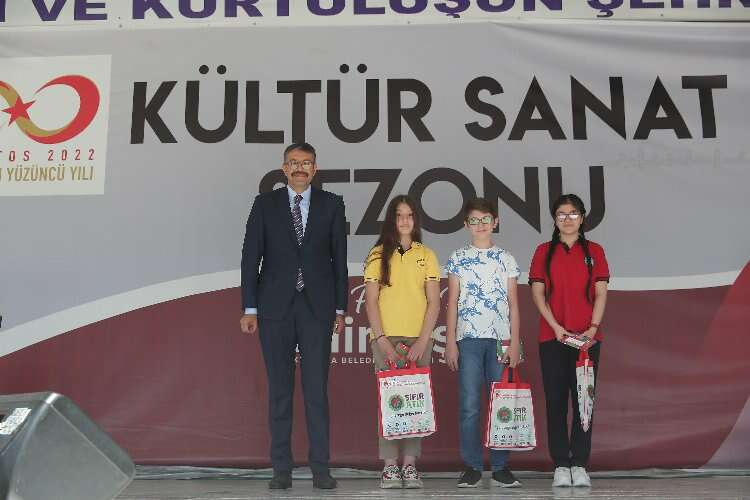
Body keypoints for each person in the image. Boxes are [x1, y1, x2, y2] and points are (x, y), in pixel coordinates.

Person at [240, 143, 348, 490]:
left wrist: (340, 308)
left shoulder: (332, 204)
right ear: (284, 168)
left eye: (306, 163)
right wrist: (250, 308)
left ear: (315, 169)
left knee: (316, 391)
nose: (300, 168)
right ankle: (281, 469)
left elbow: (339, 259)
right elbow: (250, 257)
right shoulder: (265, 204)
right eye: (294, 163)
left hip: (317, 308)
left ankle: (321, 469)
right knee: (280, 392)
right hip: (274, 309)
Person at [529, 194, 609, 488]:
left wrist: (593, 328)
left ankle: (580, 463)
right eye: (561, 214)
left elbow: (601, 292)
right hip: (553, 338)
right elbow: (538, 293)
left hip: (587, 340)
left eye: (573, 213)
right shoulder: (543, 251)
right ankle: (561, 464)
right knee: (555, 402)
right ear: (554, 219)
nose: (567, 219)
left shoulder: (595, 251)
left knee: (583, 402)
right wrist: (555, 326)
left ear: (582, 217)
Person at [444, 198, 523, 489]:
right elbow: (452, 302)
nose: (480, 225)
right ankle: (473, 465)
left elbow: (513, 304)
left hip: (500, 340)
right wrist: (450, 342)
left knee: (500, 402)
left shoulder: (506, 259)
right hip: (468, 340)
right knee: (469, 405)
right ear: (466, 225)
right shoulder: (458, 257)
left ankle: (501, 466)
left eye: (486, 219)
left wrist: (514, 342)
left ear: (495, 222)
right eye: (474, 220)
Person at [364, 195, 441, 489]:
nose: (405, 220)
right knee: (390, 402)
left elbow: (434, 301)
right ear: (392, 220)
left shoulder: (427, 255)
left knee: (415, 403)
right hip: (386, 338)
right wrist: (382, 339)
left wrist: (423, 340)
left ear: (416, 220)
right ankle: (389, 467)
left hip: (419, 339)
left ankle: (409, 465)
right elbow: (371, 301)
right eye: (399, 215)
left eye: (409, 215)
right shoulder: (377, 255)